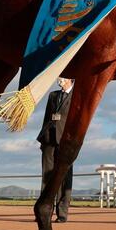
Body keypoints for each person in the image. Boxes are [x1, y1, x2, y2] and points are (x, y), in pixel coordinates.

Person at [37, 77, 74, 222]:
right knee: (46, 176)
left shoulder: (77, 95)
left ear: (70, 79)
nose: (60, 79)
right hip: (48, 139)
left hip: (66, 141)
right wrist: (43, 138)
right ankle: (45, 211)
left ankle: (62, 213)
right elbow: (46, 117)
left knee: (65, 178)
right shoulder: (53, 95)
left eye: (63, 77)